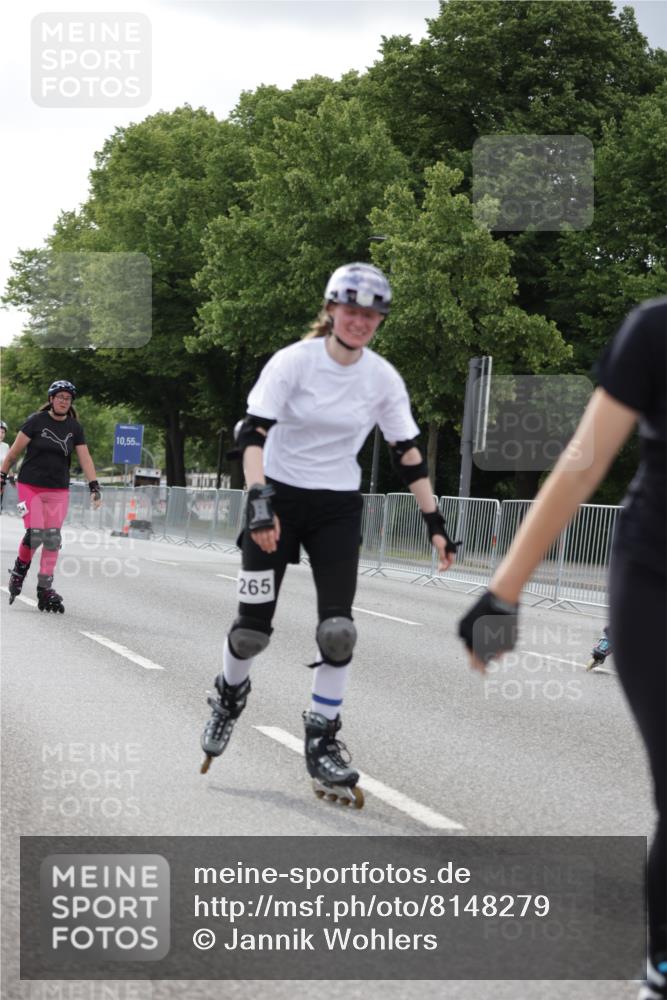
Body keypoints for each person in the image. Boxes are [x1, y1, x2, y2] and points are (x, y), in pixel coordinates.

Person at [458, 296, 666, 999]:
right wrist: (503, 593)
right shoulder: (654, 330)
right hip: (656, 581)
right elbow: (581, 464)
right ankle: (661, 971)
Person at [199, 262, 459, 806]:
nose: (360, 321)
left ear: (379, 318)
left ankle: (322, 739)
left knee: (338, 631)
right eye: (351, 311)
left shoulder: (382, 378)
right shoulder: (293, 363)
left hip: (337, 506)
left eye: (371, 314)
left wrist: (435, 523)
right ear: (332, 310)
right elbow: (251, 434)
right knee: (251, 633)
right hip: (276, 499)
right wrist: (259, 501)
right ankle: (228, 695)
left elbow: (407, 453)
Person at [1, 380, 102, 613]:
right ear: (51, 399)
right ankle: (19, 571)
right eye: (60, 397)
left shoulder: (74, 428)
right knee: (35, 534)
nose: (64, 401)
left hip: (58, 489)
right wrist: (2, 475)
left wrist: (94, 485)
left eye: (68, 398)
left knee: (52, 538)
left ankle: (44, 588)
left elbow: (85, 458)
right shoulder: (35, 421)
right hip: (30, 486)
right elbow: (14, 452)